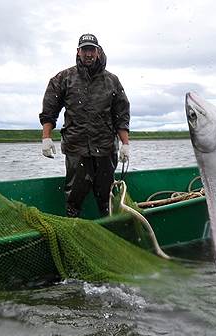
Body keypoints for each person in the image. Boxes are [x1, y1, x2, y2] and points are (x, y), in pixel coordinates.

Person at [39, 33, 131, 218]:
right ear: (78, 52)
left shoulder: (112, 80)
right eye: (85, 49)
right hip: (76, 148)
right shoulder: (63, 78)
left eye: (92, 50)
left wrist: (125, 144)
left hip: (105, 148)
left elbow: (121, 114)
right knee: (74, 197)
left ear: (98, 52)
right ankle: (74, 225)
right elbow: (50, 110)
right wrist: (46, 138)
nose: (88, 54)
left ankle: (109, 227)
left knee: (106, 197)